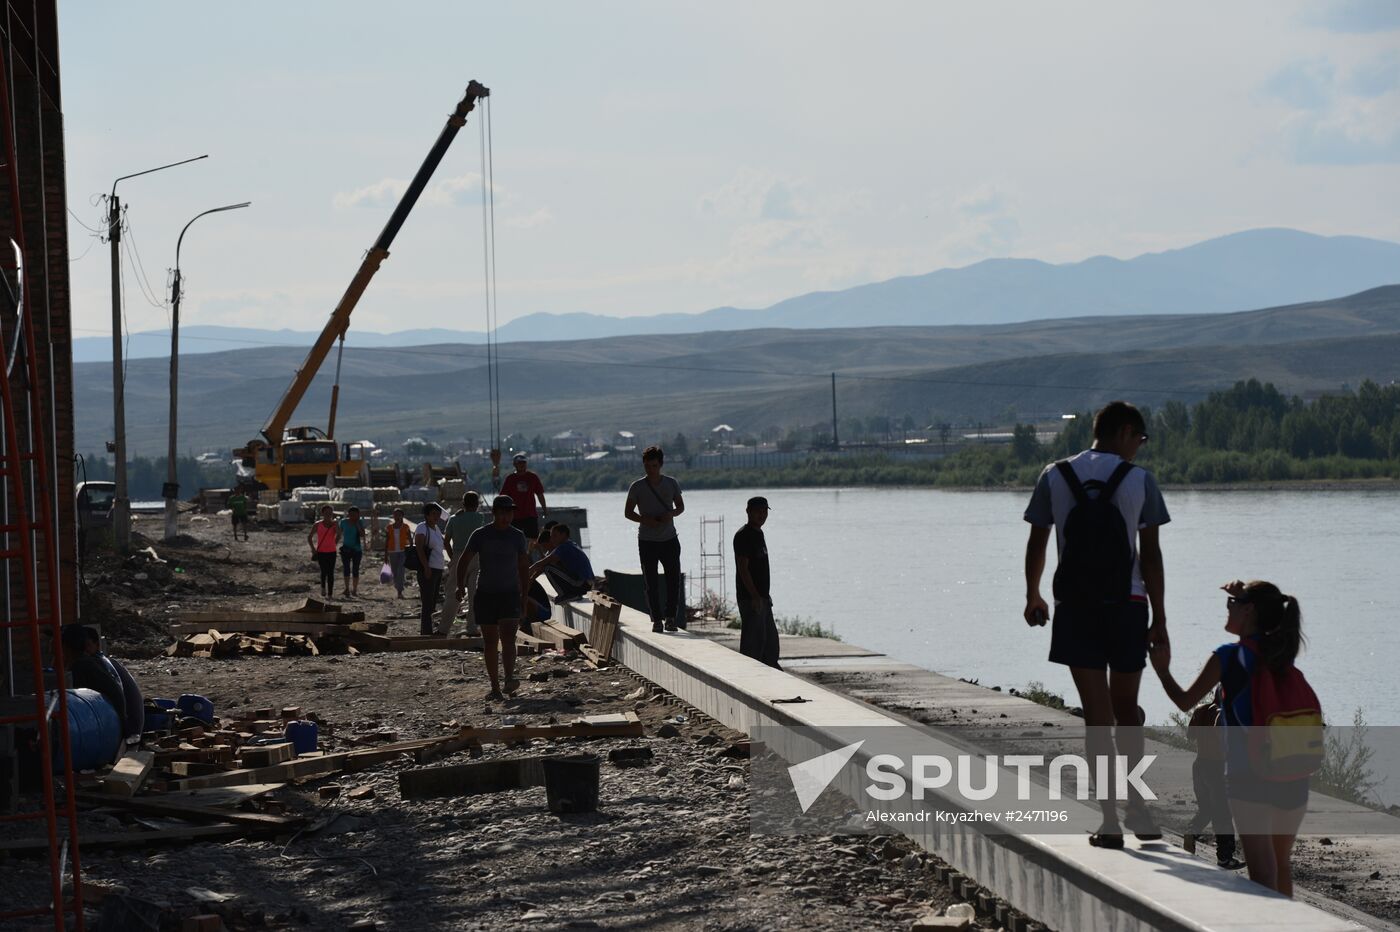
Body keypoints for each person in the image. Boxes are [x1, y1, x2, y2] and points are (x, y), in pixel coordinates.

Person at [1023, 400, 1169, 848]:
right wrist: (1159, 620)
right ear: (1126, 432)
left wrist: (1033, 594)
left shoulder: (1054, 474)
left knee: (1096, 717)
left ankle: (1109, 822)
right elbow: (1151, 557)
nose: (1140, 449)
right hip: (1127, 606)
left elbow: (1037, 541)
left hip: (1075, 608)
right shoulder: (1139, 480)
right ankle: (1139, 810)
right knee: (1128, 712)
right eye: (1141, 440)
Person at [1152, 580, 1310, 896]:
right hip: (1293, 771)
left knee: (1262, 873)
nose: (1227, 609)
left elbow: (1185, 701)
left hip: (1250, 775)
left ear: (1249, 610)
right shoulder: (1281, 654)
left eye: (1232, 603)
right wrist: (1247, 591)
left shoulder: (1228, 656)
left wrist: (1162, 669)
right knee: (1280, 869)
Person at [456, 495, 530, 700]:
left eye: (510, 513)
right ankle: (495, 687)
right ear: (494, 513)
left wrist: (524, 595)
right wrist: (460, 585)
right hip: (486, 594)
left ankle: (508, 678)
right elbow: (464, 560)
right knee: (490, 642)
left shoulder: (517, 536)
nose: (507, 517)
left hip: (509, 594)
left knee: (508, 639)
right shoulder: (481, 535)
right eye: (503, 513)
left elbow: (524, 566)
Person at [625, 445, 685, 632]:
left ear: (660, 465)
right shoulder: (637, 486)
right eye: (647, 465)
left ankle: (671, 618)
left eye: (654, 465)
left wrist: (671, 514)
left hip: (669, 539)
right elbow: (628, 512)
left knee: (673, 580)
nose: (650, 469)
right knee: (650, 582)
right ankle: (657, 620)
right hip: (647, 540)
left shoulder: (671, 483)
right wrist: (645, 520)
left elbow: (681, 507)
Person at [1182, 698, 1243, 870]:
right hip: (1216, 768)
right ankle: (1225, 858)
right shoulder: (1223, 715)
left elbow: (1190, 735)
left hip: (1199, 765)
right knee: (1223, 814)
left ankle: (1192, 832)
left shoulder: (1200, 709)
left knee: (1207, 809)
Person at [60, 624, 134, 738]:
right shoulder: (89, 662)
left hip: (112, 729)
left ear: (66, 647)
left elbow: (80, 709)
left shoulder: (81, 666)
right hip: (118, 724)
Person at [734, 496, 779, 668]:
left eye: (764, 511)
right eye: (758, 511)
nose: (762, 515)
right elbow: (743, 569)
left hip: (763, 598)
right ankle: (749, 677)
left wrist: (764, 597)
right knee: (753, 646)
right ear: (748, 512)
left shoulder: (759, 534)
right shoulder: (743, 536)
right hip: (751, 599)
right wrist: (754, 596)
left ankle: (772, 677)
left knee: (770, 645)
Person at [443, 492, 487, 634]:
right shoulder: (480, 517)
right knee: (474, 595)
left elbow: (446, 542)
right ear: (477, 504)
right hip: (476, 557)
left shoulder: (454, 519)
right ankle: (472, 628)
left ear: (463, 503)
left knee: (452, 594)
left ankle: (443, 629)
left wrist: (452, 558)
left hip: (458, 556)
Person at [528, 523, 595, 602]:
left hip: (581, 584)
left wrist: (529, 572)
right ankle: (569, 593)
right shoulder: (571, 544)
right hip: (586, 584)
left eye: (555, 536)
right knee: (548, 566)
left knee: (547, 567)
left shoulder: (563, 547)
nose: (552, 539)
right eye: (551, 536)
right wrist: (531, 578)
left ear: (563, 534)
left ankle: (566, 594)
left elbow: (544, 562)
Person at [414, 503, 447, 636]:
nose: (437, 517)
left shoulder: (436, 528)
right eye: (433, 514)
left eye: (438, 514)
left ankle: (428, 630)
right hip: (428, 569)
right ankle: (426, 633)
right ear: (427, 515)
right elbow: (419, 548)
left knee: (432, 602)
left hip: (438, 569)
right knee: (427, 602)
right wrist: (426, 567)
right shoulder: (422, 527)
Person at [503, 453, 547, 539]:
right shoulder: (510, 479)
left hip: (530, 515)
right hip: (514, 516)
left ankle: (531, 553)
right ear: (514, 464)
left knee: (533, 539)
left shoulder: (533, 477)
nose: (522, 465)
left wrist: (544, 509)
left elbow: (540, 494)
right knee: (514, 539)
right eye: (519, 463)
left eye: (523, 463)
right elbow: (504, 497)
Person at [308, 505, 340, 599]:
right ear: (323, 513)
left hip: (332, 551)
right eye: (327, 513)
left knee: (330, 573)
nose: (329, 515)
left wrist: (335, 543)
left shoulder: (334, 524)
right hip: (321, 551)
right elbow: (309, 537)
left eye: (330, 513)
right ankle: (323, 588)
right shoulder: (318, 524)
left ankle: (330, 593)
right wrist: (313, 549)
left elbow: (339, 534)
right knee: (323, 571)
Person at [383, 507, 414, 598]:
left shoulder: (406, 527)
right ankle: (398, 587)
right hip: (392, 552)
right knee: (395, 572)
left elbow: (410, 538)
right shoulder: (389, 527)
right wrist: (385, 555)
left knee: (401, 571)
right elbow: (387, 541)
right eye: (395, 515)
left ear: (402, 516)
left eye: (398, 515)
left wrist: (411, 550)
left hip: (403, 552)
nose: (396, 517)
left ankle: (400, 591)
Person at [338, 506, 366, 598]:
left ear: (358, 515)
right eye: (351, 514)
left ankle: (354, 590)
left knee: (355, 570)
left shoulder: (360, 523)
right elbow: (339, 534)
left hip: (357, 550)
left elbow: (362, 535)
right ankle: (346, 589)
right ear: (348, 514)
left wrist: (357, 524)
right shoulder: (343, 522)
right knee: (346, 569)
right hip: (346, 549)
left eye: (355, 514)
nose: (353, 516)